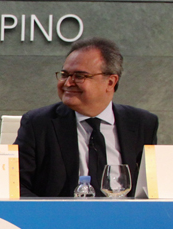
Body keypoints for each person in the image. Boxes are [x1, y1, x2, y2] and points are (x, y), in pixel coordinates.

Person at [15, 37, 158, 197]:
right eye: (64, 74)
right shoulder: (38, 124)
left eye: (79, 76)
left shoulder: (142, 123)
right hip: (61, 218)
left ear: (110, 82)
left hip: (123, 218)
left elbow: (151, 186)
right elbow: (15, 186)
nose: (67, 83)